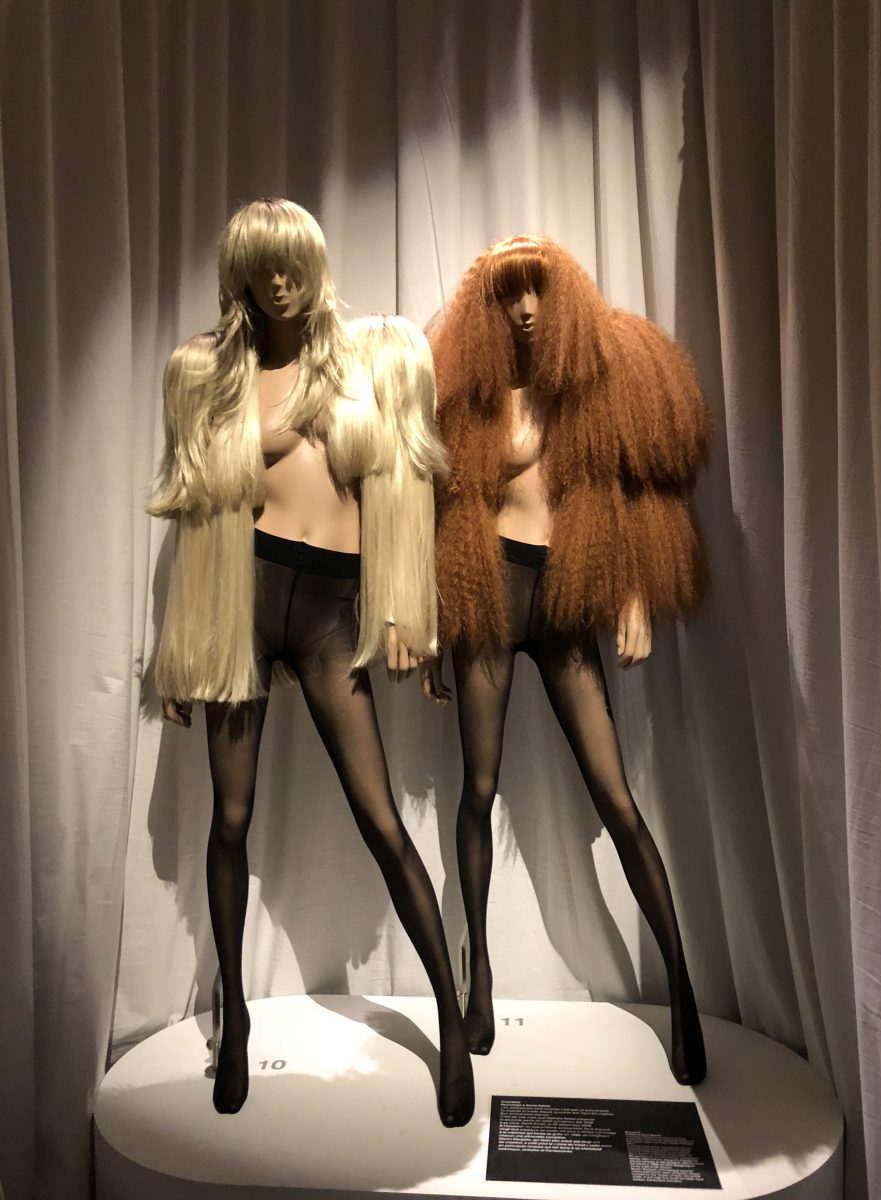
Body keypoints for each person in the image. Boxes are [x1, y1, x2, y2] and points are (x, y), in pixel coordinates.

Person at [149, 197, 474, 1125]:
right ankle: (236, 1021)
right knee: (230, 818)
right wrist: (183, 651)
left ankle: (452, 1026)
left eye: (292, 263)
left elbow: (403, 484)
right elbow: (195, 515)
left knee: (382, 823)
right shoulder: (208, 374)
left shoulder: (371, 362)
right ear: (242, 280)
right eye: (263, 268)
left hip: (330, 613)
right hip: (240, 602)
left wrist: (409, 613)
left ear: (314, 266)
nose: (280, 281)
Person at [422, 234, 709, 1085]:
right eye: (509, 294)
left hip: (564, 594)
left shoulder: (593, 382)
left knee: (615, 798)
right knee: (477, 790)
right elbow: (443, 505)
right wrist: (435, 624)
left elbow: (624, 487)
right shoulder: (468, 394)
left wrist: (632, 594)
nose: (524, 308)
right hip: (485, 592)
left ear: (562, 296)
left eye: (537, 291)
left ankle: (682, 990)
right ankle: (478, 983)